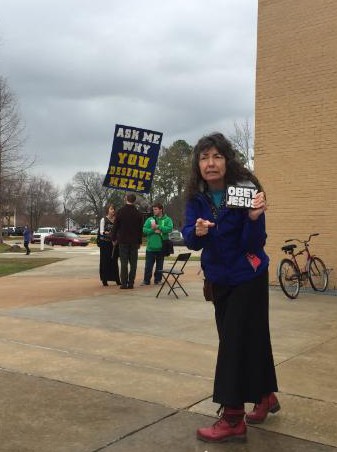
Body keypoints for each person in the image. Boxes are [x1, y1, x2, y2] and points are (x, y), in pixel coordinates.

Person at [182, 132, 279, 443]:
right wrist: (196, 231)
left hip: (247, 275)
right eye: (204, 157)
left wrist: (253, 218)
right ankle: (264, 395)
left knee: (233, 344)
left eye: (217, 157)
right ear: (198, 164)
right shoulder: (196, 197)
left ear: (227, 161)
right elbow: (191, 240)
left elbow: (254, 243)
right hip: (219, 278)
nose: (210, 163)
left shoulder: (244, 191)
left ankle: (233, 417)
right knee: (245, 338)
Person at [112, 193, 143, 289]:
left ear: (126, 199)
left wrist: (113, 238)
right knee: (133, 264)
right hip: (134, 242)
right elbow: (140, 229)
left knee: (124, 263)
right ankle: (131, 283)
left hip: (123, 241)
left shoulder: (120, 212)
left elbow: (115, 226)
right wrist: (139, 241)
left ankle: (124, 283)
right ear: (134, 201)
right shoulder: (138, 213)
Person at [141, 202, 173, 285]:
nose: (154, 211)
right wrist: (153, 230)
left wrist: (159, 227)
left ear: (161, 209)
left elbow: (169, 229)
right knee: (148, 266)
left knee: (160, 265)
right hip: (150, 247)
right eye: (153, 209)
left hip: (161, 247)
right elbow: (144, 230)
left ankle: (158, 280)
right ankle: (146, 280)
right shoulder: (150, 219)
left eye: (156, 209)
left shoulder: (167, 219)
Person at [99, 204, 121, 287]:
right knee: (105, 261)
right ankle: (105, 279)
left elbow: (119, 230)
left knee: (114, 262)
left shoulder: (116, 220)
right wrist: (107, 233)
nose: (113, 211)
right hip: (105, 243)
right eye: (111, 209)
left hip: (114, 244)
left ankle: (117, 279)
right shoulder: (103, 219)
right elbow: (101, 232)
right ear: (107, 210)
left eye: (114, 209)